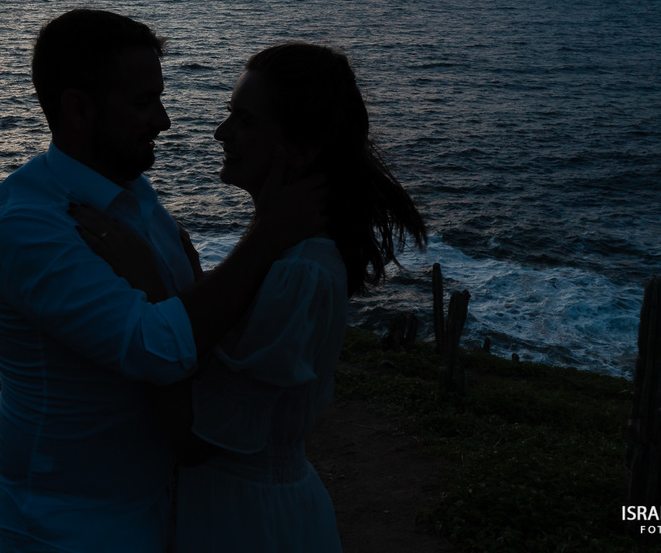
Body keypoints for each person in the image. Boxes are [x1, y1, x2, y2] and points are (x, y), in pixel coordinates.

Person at [0, 10, 324, 553]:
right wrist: (268, 235)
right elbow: (157, 349)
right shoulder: (28, 224)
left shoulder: (133, 195)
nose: (163, 121)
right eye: (143, 103)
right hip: (69, 525)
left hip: (155, 507)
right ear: (77, 109)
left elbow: (190, 324)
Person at [76, 41, 426, 551]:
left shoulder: (299, 272)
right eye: (228, 115)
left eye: (244, 121)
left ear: (303, 150)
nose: (222, 134)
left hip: (249, 524)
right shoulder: (283, 255)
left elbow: (192, 440)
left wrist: (149, 294)